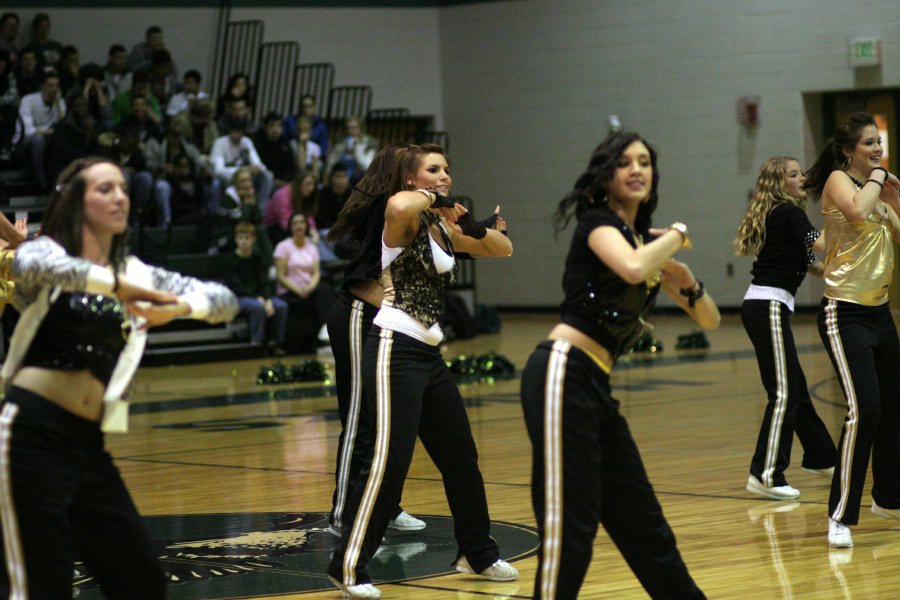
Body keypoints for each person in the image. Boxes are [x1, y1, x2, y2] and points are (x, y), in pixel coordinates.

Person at [0, 157, 238, 599]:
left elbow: (224, 300)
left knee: (141, 583)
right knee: (41, 588)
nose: (120, 197)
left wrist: (179, 307)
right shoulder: (48, 253)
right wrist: (117, 287)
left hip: (89, 446)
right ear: (75, 201)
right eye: (104, 189)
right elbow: (29, 264)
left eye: (123, 188)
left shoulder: (139, 273)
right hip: (29, 438)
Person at [520, 131, 719, 600]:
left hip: (595, 386)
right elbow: (631, 268)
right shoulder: (598, 224)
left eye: (645, 162)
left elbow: (709, 318)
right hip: (561, 374)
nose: (636, 169)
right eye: (625, 162)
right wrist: (676, 235)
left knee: (644, 523)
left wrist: (687, 280)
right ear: (607, 175)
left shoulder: (640, 242)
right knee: (573, 529)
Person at [327, 144, 517, 600]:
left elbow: (503, 248)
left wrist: (470, 226)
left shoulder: (439, 227)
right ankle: (348, 564)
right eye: (434, 170)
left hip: (428, 355)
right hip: (394, 347)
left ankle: (477, 552)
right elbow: (397, 202)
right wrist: (438, 200)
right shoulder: (404, 215)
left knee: (461, 456)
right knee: (389, 461)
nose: (444, 175)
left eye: (447, 169)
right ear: (411, 179)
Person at [803, 112, 900, 548]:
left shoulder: (879, 192)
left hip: (880, 313)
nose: (877, 149)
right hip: (844, 314)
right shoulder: (841, 183)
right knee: (865, 408)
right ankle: (840, 515)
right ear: (848, 151)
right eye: (868, 144)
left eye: (878, 142)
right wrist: (880, 179)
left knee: (893, 406)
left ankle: (889, 497)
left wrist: (895, 198)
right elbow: (858, 211)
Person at [735, 156, 837, 501]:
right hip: (767, 307)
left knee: (795, 386)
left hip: (765, 306)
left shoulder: (783, 215)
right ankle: (765, 473)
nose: (801, 178)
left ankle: (821, 455)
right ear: (781, 184)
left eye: (800, 172)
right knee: (784, 393)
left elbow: (807, 257)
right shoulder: (790, 213)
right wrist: (842, 211)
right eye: (794, 174)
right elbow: (818, 242)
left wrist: (827, 272)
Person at [274, 212, 333, 353]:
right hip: (290, 289)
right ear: (290, 227)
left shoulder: (311, 247)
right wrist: (298, 289)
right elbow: (280, 276)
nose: (298, 226)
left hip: (308, 287)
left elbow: (316, 272)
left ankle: (325, 329)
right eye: (294, 223)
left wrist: (310, 286)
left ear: (306, 226)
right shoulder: (283, 247)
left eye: (301, 222)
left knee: (325, 289)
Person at [224, 221, 287, 354]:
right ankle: (256, 344)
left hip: (258, 297)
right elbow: (236, 287)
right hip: (238, 298)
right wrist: (259, 299)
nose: (244, 242)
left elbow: (264, 281)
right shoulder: (229, 260)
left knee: (281, 306)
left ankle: (275, 343)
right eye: (240, 238)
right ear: (236, 239)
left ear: (253, 239)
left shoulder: (258, 258)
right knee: (256, 307)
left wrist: (268, 299)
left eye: (247, 238)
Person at [15, 69, 65, 189]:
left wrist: (57, 103)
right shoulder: (28, 100)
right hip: (24, 141)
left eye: (57, 85)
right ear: (42, 87)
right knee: (38, 139)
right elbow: (28, 130)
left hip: (49, 138)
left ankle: (60, 180)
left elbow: (63, 126)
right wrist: (49, 132)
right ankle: (40, 182)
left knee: (62, 140)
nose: (54, 89)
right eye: (50, 85)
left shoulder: (60, 102)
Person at [264, 171, 319, 246]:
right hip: (275, 228)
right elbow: (285, 223)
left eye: (313, 185)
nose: (311, 188)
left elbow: (309, 218)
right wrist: (306, 234)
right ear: (299, 183)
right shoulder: (282, 195)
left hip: (297, 226)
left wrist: (313, 232)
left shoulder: (306, 196)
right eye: (308, 184)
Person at [325, 116, 377, 184]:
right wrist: (340, 150)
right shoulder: (340, 143)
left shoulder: (368, 144)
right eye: (348, 128)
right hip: (341, 177)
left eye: (354, 128)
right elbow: (330, 165)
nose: (350, 131)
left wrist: (356, 150)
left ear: (361, 129)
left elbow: (367, 167)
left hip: (358, 179)